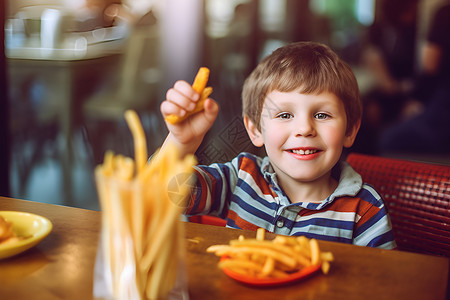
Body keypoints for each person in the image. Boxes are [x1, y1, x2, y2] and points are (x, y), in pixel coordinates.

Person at [159, 41, 396, 249]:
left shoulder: (365, 210)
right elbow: (162, 195)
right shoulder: (241, 178)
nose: (304, 129)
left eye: (322, 115)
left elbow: (382, 284)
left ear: (350, 130)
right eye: (284, 115)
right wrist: (181, 142)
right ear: (255, 130)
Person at [379, 2, 450, 154]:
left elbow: (430, 64)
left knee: (389, 139)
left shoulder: (445, 13)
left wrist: (418, 99)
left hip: (443, 108)